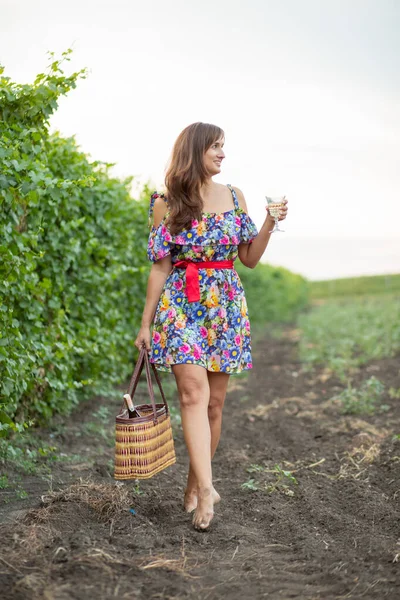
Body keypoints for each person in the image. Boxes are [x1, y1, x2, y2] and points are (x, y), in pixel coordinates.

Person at [135, 122, 288, 531]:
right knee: (192, 393)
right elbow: (160, 266)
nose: (223, 154)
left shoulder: (235, 196)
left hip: (224, 307)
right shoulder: (166, 201)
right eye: (216, 147)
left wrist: (271, 223)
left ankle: (193, 482)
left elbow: (250, 258)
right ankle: (207, 491)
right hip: (181, 304)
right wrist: (146, 323)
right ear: (195, 150)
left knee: (214, 405)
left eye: (224, 147)